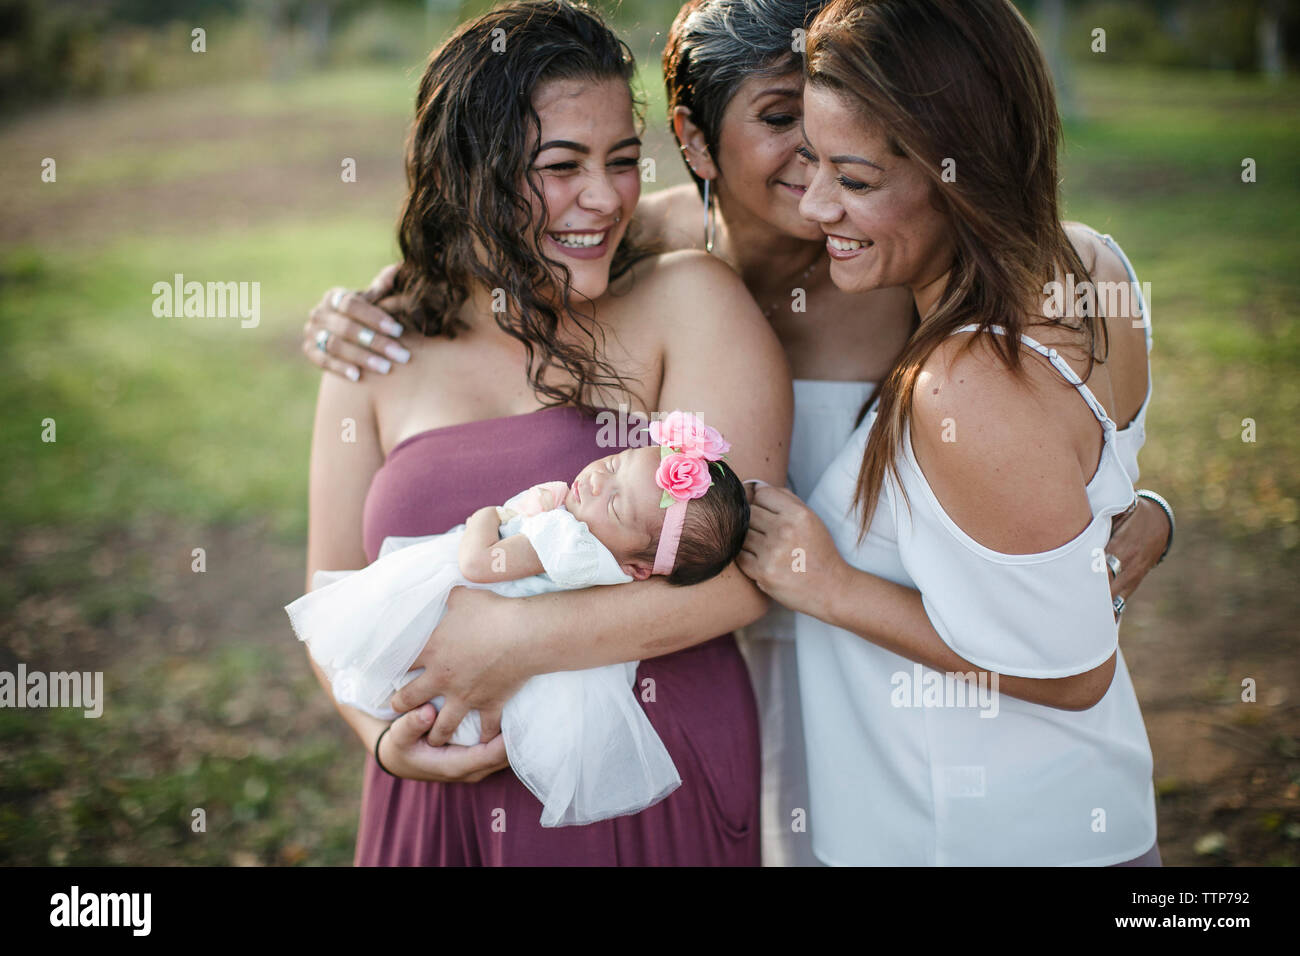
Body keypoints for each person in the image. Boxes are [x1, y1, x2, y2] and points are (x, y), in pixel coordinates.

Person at [301, 0, 1172, 867]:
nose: (817, 171)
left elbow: (1061, 450)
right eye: (783, 118)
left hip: (971, 778)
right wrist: (384, 299)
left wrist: (1146, 518)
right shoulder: (643, 244)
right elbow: (515, 235)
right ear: (694, 137)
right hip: (799, 755)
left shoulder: (958, 280)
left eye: (850, 154)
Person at [304, 0, 791, 865]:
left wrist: (517, 643)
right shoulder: (376, 345)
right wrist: (383, 740)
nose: (603, 198)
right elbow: (331, 596)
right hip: (439, 802)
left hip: (648, 788)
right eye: (562, 165)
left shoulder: (689, 304)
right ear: (468, 174)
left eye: (624, 160)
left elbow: (750, 575)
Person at [738, 0, 1170, 865]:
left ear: (961, 174)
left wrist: (829, 586)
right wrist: (1153, 517)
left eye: (854, 180)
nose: (817, 204)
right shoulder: (1093, 263)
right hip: (1077, 819)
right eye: (811, 162)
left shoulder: (966, 385)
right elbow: (1085, 500)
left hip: (974, 838)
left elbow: (1076, 672)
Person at [290, 421, 747, 827]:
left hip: (472, 624)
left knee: (389, 638)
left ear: (640, 570)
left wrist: (485, 517)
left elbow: (478, 564)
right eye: (614, 463)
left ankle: (370, 693)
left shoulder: (568, 541)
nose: (596, 482)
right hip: (513, 679)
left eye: (615, 506)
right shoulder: (610, 562)